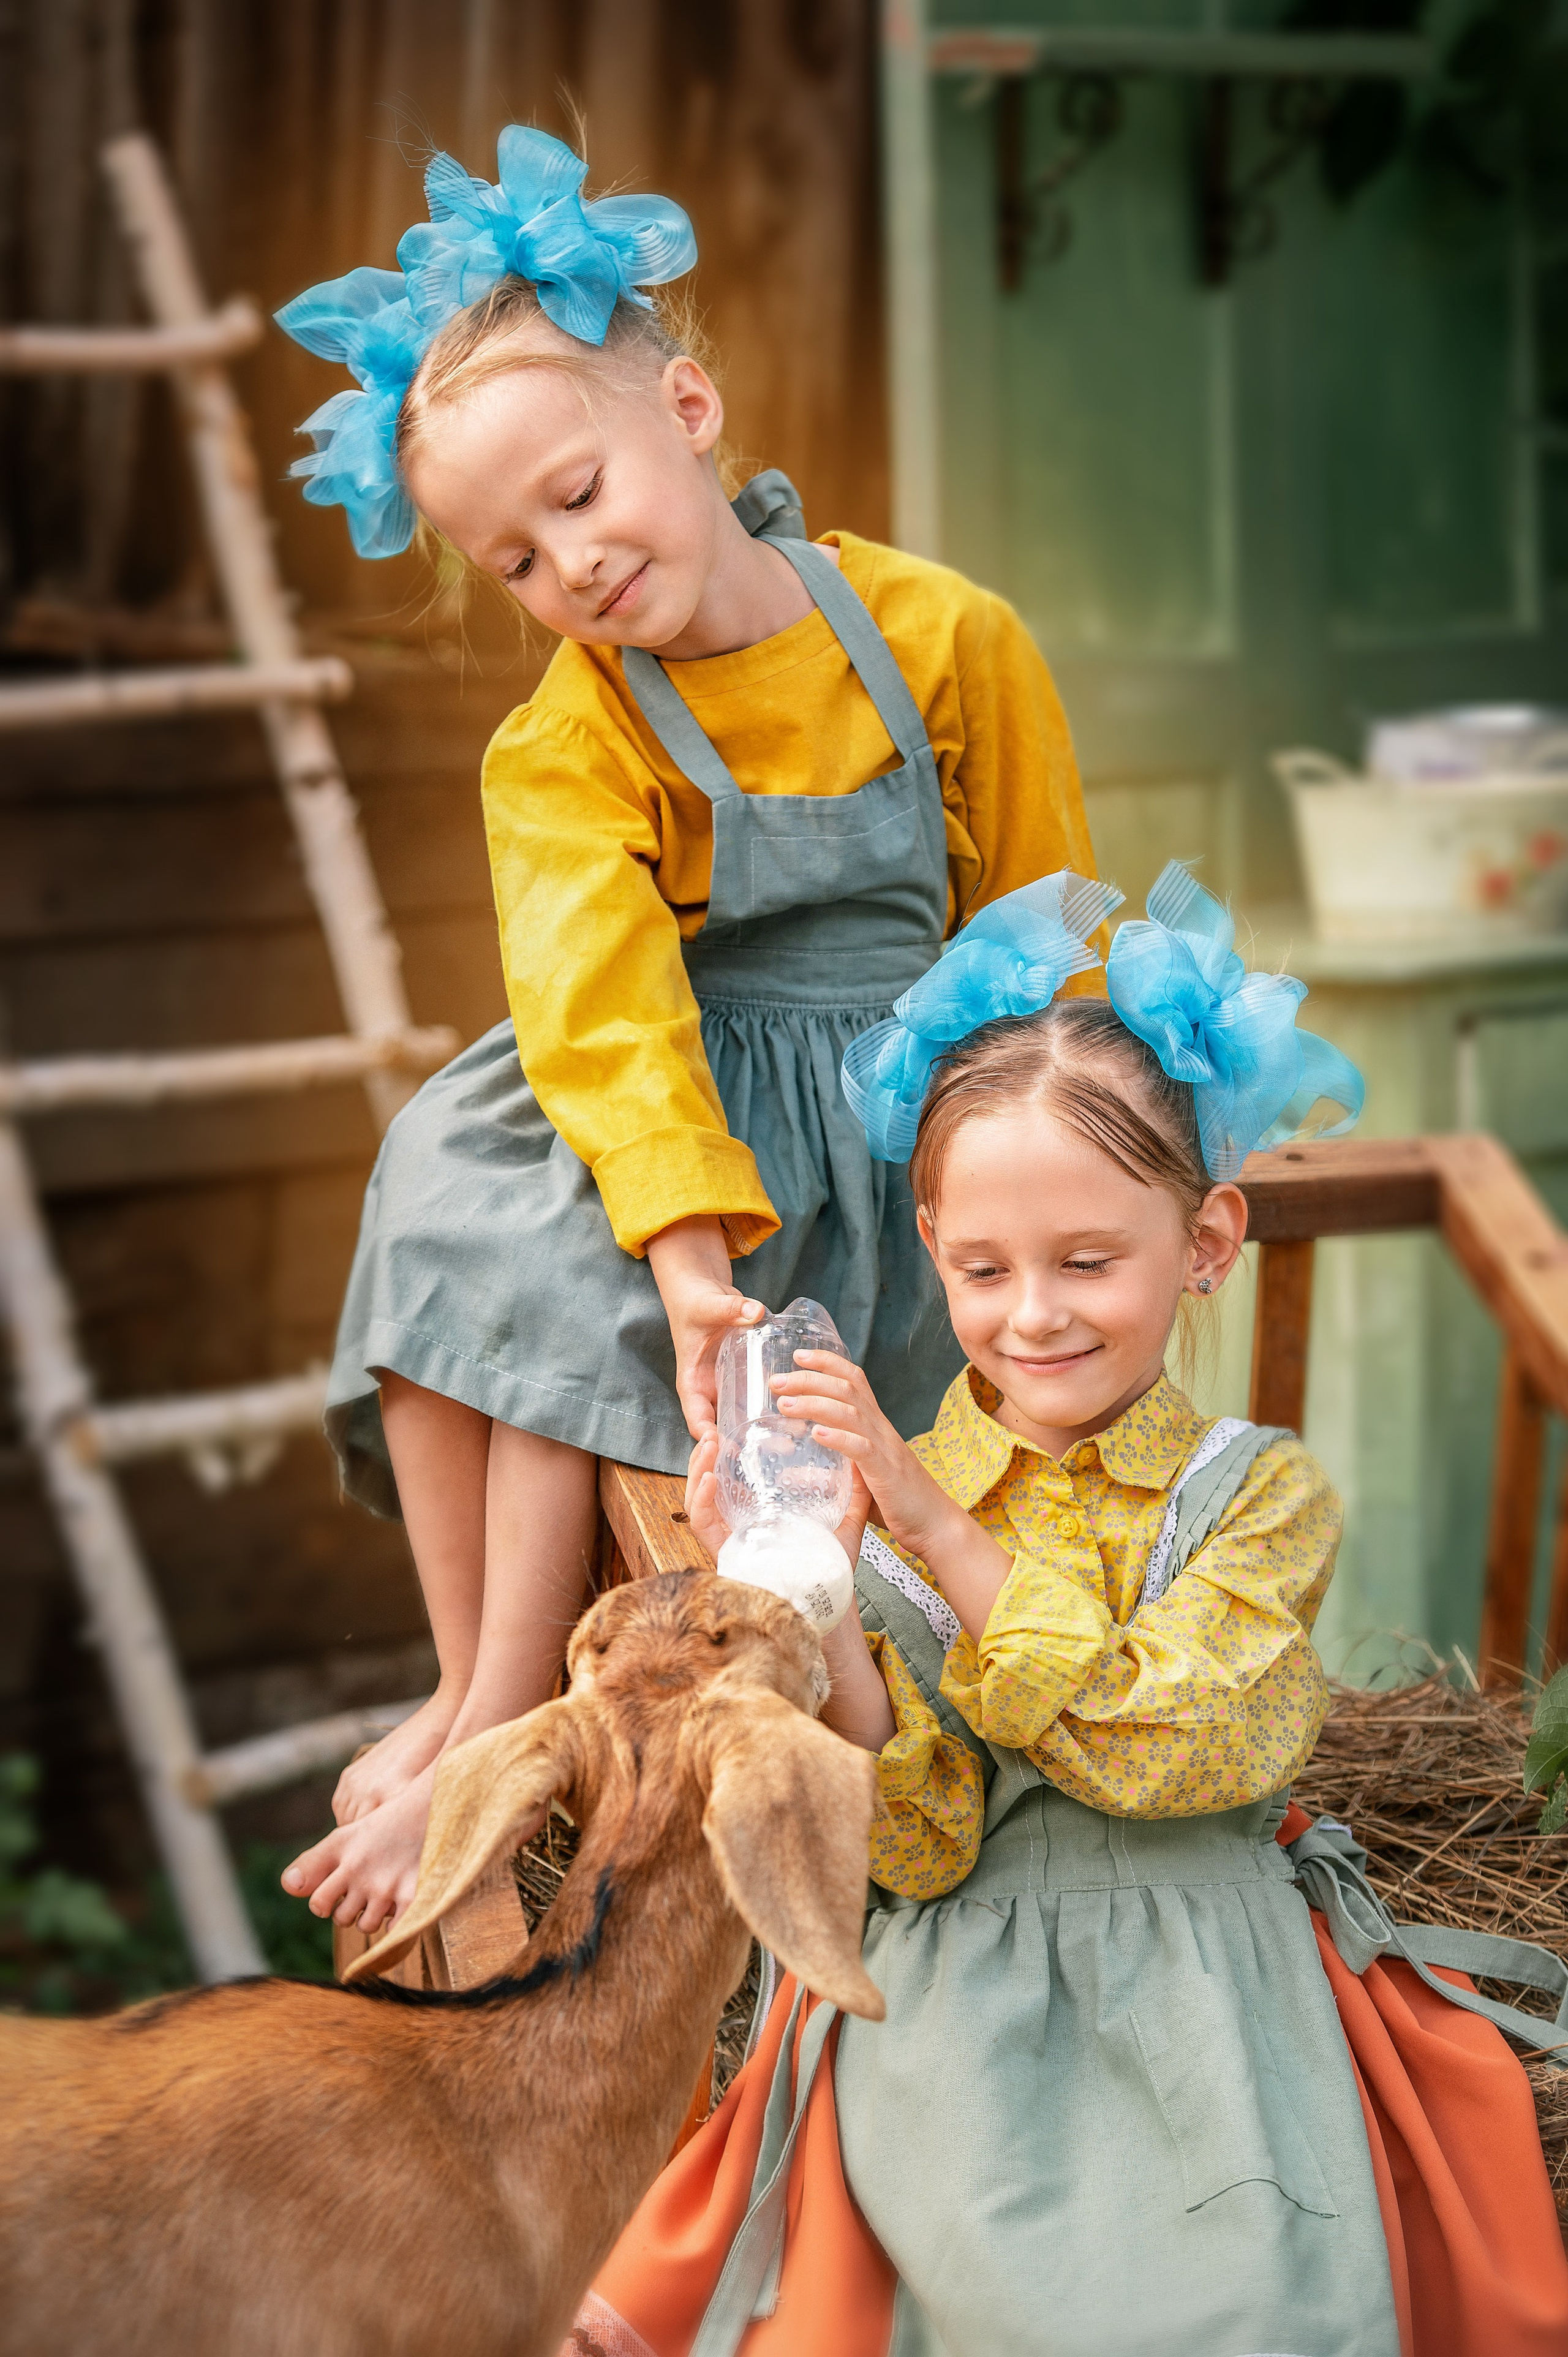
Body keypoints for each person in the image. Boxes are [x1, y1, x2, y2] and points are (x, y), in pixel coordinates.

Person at [267, 127, 1104, 1935]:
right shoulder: (565, 743)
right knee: (454, 1179)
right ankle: (481, 1697)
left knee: (571, 1252)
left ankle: (511, 1716)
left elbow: (1041, 926)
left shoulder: (944, 635)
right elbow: (600, 1009)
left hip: (892, 1109)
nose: (565, 562)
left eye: (578, 494)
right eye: (512, 558)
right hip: (682, 1100)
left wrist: (1055, 1138)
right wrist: (684, 1237)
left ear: (693, 410)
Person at [573, 868, 1568, 2356]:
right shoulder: (889, 1502)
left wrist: (924, 1523)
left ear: (1206, 1242)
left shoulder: (1251, 1495)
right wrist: (820, 1590)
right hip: (962, 1995)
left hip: (1203, 1988)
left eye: (1086, 1262)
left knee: (1235, 2306)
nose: (1031, 1313)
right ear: (931, 1251)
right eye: (981, 1269)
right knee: (973, 2286)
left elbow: (1178, 1750)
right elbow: (915, 1845)